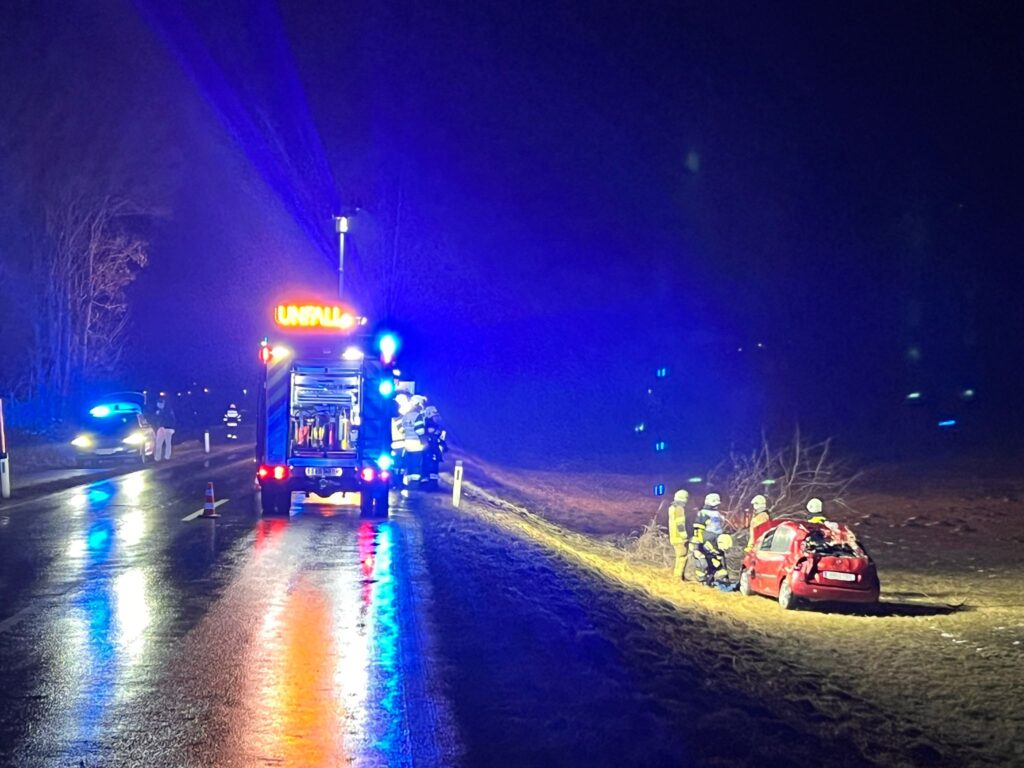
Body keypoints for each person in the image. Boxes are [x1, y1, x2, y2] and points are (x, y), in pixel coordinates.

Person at [691, 492, 728, 586]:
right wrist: (697, 545)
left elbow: (721, 526)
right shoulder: (703, 513)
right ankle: (703, 580)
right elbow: (698, 529)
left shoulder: (717, 514)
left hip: (717, 541)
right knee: (703, 562)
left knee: (717, 561)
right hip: (706, 541)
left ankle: (715, 580)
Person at [667, 489, 689, 579]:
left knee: (678, 556)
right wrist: (684, 536)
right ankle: (678, 577)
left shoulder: (672, 508)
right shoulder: (679, 509)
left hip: (673, 536)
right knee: (682, 557)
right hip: (679, 538)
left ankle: (677, 575)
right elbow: (680, 523)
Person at [153, 396, 176, 461]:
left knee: (167, 443)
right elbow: (155, 420)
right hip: (161, 428)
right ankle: (157, 457)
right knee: (159, 443)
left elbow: (172, 420)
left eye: (160, 404)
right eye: (158, 404)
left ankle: (167, 456)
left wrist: (172, 428)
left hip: (167, 429)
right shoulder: (158, 411)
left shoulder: (168, 411)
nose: (159, 405)